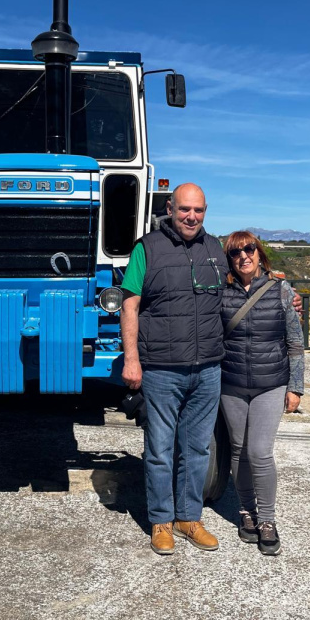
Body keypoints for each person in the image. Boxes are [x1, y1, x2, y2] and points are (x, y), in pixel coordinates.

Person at [121, 183, 228, 555]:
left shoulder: (215, 248)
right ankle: (161, 521)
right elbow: (129, 305)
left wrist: (282, 294)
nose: (191, 217)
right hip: (162, 370)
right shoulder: (147, 248)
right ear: (170, 208)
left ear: (205, 211)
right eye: (184, 209)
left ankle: (189, 518)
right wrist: (132, 359)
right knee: (161, 449)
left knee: (197, 450)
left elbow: (236, 291)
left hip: (208, 368)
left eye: (198, 210)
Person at [220, 231, 305, 556]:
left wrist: (295, 387)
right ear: (230, 258)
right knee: (239, 450)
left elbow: (295, 343)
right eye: (236, 251)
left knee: (259, 451)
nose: (244, 255)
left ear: (259, 253)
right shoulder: (222, 293)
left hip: (271, 384)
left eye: (249, 248)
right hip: (232, 384)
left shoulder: (281, 291)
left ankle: (267, 519)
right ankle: (246, 513)